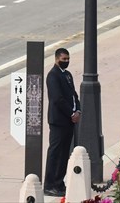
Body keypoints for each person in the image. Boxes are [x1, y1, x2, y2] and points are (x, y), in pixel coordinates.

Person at [44, 48, 80, 197]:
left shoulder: (68, 75)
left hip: (69, 121)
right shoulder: (53, 76)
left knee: (65, 152)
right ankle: (50, 184)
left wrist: (78, 110)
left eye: (68, 59)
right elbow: (57, 99)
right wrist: (71, 113)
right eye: (63, 59)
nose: (66, 61)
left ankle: (59, 182)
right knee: (55, 152)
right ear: (57, 59)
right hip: (59, 120)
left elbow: (73, 95)